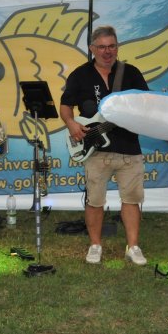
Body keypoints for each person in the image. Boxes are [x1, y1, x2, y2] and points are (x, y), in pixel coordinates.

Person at [60, 25, 150, 266]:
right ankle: (95, 245)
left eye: (111, 46)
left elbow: (146, 103)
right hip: (96, 151)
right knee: (95, 200)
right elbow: (66, 105)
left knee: (132, 198)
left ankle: (133, 247)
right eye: (101, 47)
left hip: (129, 147)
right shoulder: (80, 75)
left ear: (117, 47)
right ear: (92, 48)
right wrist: (71, 124)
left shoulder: (131, 73)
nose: (107, 51)